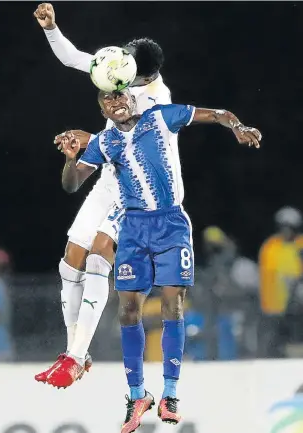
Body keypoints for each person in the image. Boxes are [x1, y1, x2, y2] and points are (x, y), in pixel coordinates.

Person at [49, 88, 261, 432]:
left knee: (172, 303)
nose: (115, 104)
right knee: (127, 308)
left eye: (119, 97)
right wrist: (71, 158)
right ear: (102, 109)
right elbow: (72, 186)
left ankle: (171, 392)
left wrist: (236, 125)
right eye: (107, 101)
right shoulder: (104, 142)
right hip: (133, 227)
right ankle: (137, 395)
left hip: (171, 224)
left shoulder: (161, 117)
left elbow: (217, 112)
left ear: (132, 99)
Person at [33, 3, 171, 384]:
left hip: (137, 186)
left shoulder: (159, 100)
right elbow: (74, 57)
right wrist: (51, 28)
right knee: (71, 258)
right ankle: (73, 353)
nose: (117, 83)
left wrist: (89, 138)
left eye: (128, 79)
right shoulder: (118, 65)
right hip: (109, 177)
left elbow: (139, 148)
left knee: (98, 255)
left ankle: (75, 356)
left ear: (145, 77)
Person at [258, 206, 303, 358]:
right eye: (283, 226)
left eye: (290, 227)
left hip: (297, 305)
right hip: (274, 305)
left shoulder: (300, 245)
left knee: (295, 337)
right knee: (274, 342)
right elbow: (266, 276)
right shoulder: (271, 246)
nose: (286, 230)